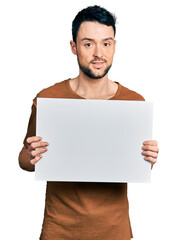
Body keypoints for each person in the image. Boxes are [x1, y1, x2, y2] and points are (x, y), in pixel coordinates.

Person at [18, 5, 159, 240]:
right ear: (74, 47)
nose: (98, 54)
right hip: (59, 231)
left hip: (115, 231)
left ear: (114, 46)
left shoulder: (134, 103)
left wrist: (148, 157)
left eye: (106, 43)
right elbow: (24, 158)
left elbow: (136, 165)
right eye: (88, 43)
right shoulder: (48, 98)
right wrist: (32, 155)